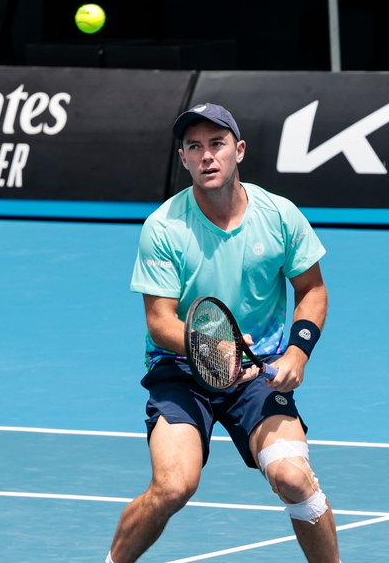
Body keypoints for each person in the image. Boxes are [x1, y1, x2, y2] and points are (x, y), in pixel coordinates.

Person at [106, 103, 339, 562]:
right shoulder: (164, 227)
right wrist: (215, 350)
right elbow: (159, 321)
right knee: (173, 486)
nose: (207, 156)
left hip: (256, 375)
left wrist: (298, 353)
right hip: (181, 371)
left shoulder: (279, 215)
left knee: (294, 479)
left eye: (217, 144)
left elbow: (312, 290)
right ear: (183, 158)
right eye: (195, 147)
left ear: (239, 151)